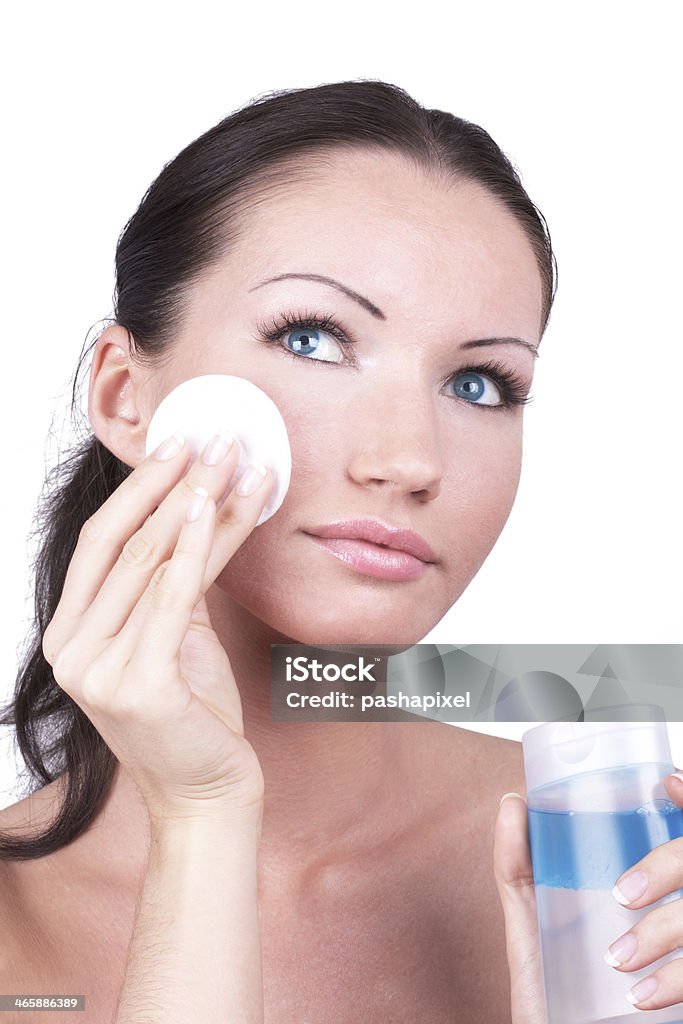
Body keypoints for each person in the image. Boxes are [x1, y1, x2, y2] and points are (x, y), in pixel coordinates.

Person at [1, 78, 681, 1023]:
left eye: (480, 384)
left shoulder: (621, 870)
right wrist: (203, 817)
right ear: (124, 395)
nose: (407, 461)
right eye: (313, 338)